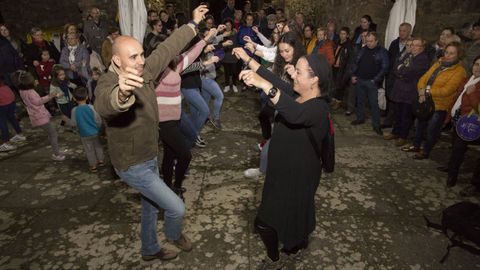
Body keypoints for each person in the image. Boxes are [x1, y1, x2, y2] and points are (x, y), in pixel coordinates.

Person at [93, 5, 208, 262]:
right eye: (133, 57)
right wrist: (121, 95)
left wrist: (192, 24)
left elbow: (167, 48)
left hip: (148, 156)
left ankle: (149, 249)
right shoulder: (109, 83)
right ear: (117, 61)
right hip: (132, 165)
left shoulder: (144, 72)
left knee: (149, 206)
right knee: (176, 207)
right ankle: (173, 233)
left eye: (141, 54)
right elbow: (104, 104)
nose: (141, 61)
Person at [237, 52, 330, 269]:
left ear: (315, 79)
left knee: (263, 223)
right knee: (294, 212)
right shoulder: (298, 93)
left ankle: (274, 258)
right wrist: (249, 60)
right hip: (281, 169)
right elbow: (277, 82)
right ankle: (295, 243)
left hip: (298, 173)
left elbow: (295, 114)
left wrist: (262, 85)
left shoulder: (318, 107)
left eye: (298, 72)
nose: (292, 75)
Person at [407, 42, 467, 159]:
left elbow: (447, 90)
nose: (448, 55)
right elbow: (424, 78)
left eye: (452, 53)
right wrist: (421, 90)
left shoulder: (459, 71)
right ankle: (416, 145)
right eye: (446, 52)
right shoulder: (438, 63)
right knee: (419, 125)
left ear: (458, 55)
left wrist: (426, 92)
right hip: (424, 100)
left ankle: (425, 151)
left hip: (439, 105)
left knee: (431, 130)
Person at [442, 55, 480, 191]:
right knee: (455, 147)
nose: (477, 68)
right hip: (457, 118)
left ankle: (452, 178)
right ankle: (450, 167)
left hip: (469, 124)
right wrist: (449, 115)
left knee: (459, 149)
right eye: (476, 64)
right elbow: (457, 98)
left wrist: (473, 94)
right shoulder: (468, 79)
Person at [385, 38, 429, 147]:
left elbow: (410, 72)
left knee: (406, 115)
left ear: (422, 48)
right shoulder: (408, 55)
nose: (413, 47)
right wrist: (402, 70)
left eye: (416, 45)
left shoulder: (422, 59)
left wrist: (402, 71)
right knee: (398, 113)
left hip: (410, 92)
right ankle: (395, 132)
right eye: (412, 45)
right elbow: (396, 67)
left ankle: (403, 136)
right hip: (400, 90)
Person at [15, 71, 64, 161]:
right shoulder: (30, 92)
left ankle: (56, 150)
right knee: (53, 133)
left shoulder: (22, 90)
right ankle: (57, 154)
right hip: (40, 116)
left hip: (35, 114)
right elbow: (38, 102)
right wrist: (50, 96)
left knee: (50, 133)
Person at [350, 32, 389, 135]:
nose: (369, 43)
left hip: (372, 82)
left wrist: (375, 80)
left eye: (371, 41)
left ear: (376, 40)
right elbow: (355, 63)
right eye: (367, 41)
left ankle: (376, 126)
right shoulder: (362, 50)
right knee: (360, 101)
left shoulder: (382, 52)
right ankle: (360, 118)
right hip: (360, 80)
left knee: (374, 104)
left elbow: (385, 67)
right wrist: (353, 75)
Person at [71, 87, 104, 172]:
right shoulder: (92, 107)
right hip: (95, 132)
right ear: (87, 97)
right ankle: (101, 160)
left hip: (84, 134)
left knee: (89, 150)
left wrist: (76, 130)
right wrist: (99, 128)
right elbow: (98, 120)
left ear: (74, 98)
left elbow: (74, 123)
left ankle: (93, 166)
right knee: (98, 146)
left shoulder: (74, 110)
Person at [0, 77, 25, 152]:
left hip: (2, 107)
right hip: (11, 105)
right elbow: (12, 96)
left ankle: (6, 142)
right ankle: (20, 134)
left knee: (2, 123)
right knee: (12, 118)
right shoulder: (6, 86)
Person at [50, 65, 77, 133]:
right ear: (56, 76)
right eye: (60, 75)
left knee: (71, 114)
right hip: (61, 102)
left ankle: (71, 126)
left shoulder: (65, 81)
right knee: (66, 115)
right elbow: (52, 94)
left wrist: (75, 86)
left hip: (69, 100)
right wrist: (59, 95)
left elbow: (70, 84)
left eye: (63, 74)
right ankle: (64, 126)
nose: (63, 76)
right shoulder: (53, 84)